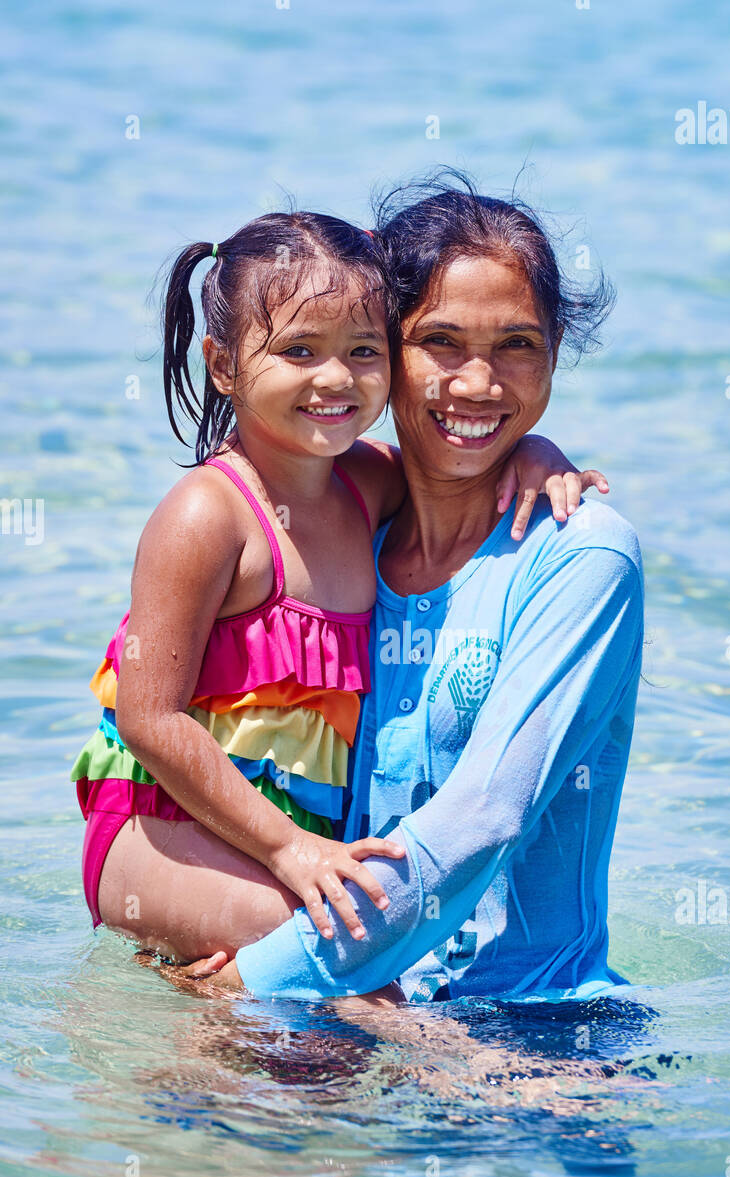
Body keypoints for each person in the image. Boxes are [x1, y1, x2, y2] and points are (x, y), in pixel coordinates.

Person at [71, 206, 596, 969]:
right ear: (222, 364)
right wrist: (288, 850)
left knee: (310, 1056)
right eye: (297, 351)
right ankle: (482, 1082)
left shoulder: (367, 487)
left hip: (280, 838)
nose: (334, 378)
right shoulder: (208, 516)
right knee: (354, 974)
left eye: (361, 350)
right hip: (158, 826)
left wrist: (539, 452)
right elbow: (150, 718)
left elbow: (463, 471)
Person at [194, 174, 644, 1004]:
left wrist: (256, 979)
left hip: (528, 1041)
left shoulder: (582, 558)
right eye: (440, 341)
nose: (480, 384)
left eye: (517, 344)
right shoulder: (340, 536)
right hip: (340, 1004)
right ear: (376, 353)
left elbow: (483, 823)